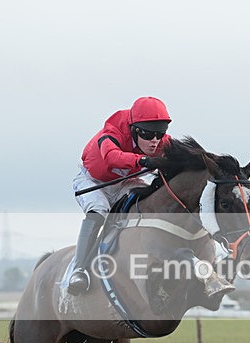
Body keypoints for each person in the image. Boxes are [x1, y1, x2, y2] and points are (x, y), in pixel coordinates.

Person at [68, 96, 172, 295]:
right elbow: (111, 157)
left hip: (125, 182)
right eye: (150, 135)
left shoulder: (161, 142)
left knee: (147, 201)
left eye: (160, 134)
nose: (155, 141)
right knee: (99, 210)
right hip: (93, 182)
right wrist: (143, 161)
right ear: (135, 130)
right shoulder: (113, 130)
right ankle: (79, 269)